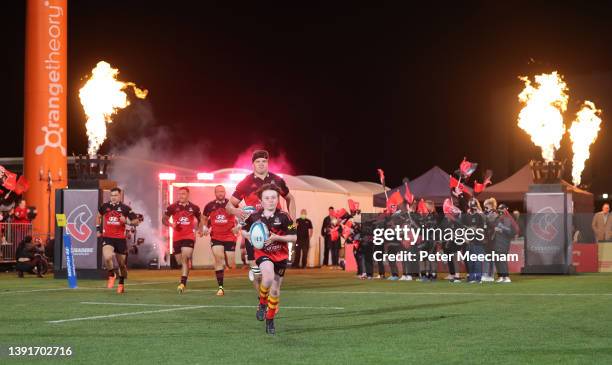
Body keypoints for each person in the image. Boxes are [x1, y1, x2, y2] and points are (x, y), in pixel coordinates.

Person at [226, 150, 295, 295]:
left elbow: (290, 198)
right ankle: (261, 301)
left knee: (275, 275)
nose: (261, 164)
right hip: (254, 229)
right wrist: (239, 212)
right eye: (258, 161)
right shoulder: (246, 182)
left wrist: (292, 221)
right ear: (253, 164)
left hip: (275, 229)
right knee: (257, 272)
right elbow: (229, 206)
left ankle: (271, 300)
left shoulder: (277, 180)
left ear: (268, 162)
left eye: (264, 161)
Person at [242, 184, 297, 335]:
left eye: (273, 197)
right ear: (261, 200)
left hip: (280, 255)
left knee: (275, 291)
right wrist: (253, 237)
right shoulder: (254, 217)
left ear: (278, 199)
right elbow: (244, 232)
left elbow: (294, 237)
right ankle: (261, 303)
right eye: (267, 198)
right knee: (267, 278)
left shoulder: (284, 217)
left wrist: (277, 237)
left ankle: (270, 319)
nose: (271, 200)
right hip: (263, 254)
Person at [98, 187, 140, 293]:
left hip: (120, 240)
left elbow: (136, 221)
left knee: (121, 264)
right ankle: (111, 274)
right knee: (107, 257)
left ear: (120, 196)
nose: (113, 198)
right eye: (112, 195)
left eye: (115, 195)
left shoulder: (125, 208)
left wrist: (127, 221)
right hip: (108, 238)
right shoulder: (105, 206)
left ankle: (121, 283)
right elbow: (98, 216)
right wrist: (98, 229)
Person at [163, 187, 203, 294]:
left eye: (183, 194)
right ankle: (186, 266)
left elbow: (201, 219)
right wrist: (171, 225)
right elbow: (164, 219)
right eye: (179, 194)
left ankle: (182, 283)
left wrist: (200, 229)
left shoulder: (194, 207)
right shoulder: (172, 207)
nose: (181, 196)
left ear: (188, 195)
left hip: (189, 236)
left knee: (185, 257)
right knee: (179, 261)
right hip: (177, 237)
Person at [203, 185, 240, 296]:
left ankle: (227, 263)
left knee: (232, 264)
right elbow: (204, 217)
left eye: (222, 191)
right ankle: (220, 287)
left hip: (229, 236)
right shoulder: (209, 205)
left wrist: (238, 227)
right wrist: (205, 227)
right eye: (218, 191)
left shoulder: (231, 204)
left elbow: (241, 216)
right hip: (216, 236)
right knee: (219, 259)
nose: (220, 193)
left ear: (225, 192)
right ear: (215, 193)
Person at [462, 198, 486, 283]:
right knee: (470, 260)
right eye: (471, 205)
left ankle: (478, 278)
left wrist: (475, 230)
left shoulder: (480, 215)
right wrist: (465, 237)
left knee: (477, 261)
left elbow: (483, 229)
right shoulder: (466, 216)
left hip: (477, 242)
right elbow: (463, 228)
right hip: (469, 241)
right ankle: (472, 278)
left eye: (473, 205)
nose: (472, 208)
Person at [493, 204, 516, 283]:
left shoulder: (508, 219)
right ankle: (501, 276)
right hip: (496, 242)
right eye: (499, 208)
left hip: (504, 242)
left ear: (506, 208)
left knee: (502, 259)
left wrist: (501, 230)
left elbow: (510, 232)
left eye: (502, 208)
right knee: (497, 260)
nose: (500, 210)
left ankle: (506, 277)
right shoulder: (498, 218)